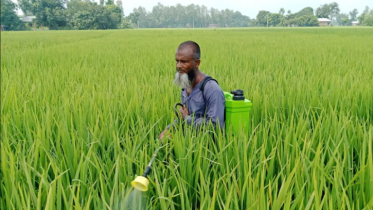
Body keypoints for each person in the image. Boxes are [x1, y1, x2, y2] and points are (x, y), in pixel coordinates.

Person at [159, 41, 225, 140]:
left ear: (197, 63)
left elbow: (215, 126)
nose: (178, 66)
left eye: (184, 62)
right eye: (177, 61)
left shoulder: (211, 88)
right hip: (189, 142)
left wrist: (187, 118)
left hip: (207, 148)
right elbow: (183, 116)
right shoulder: (186, 84)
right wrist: (168, 129)